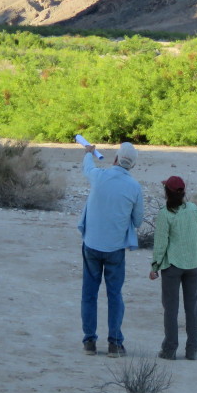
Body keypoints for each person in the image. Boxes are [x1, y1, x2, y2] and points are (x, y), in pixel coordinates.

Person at [78, 141, 144, 358]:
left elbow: (88, 168)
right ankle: (115, 343)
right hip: (115, 248)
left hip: (92, 244)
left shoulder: (99, 176)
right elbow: (137, 221)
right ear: (132, 165)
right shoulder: (135, 187)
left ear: (115, 158)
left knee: (89, 294)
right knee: (114, 295)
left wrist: (89, 153)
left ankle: (89, 342)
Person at [149, 175, 197, 360]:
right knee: (192, 310)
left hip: (173, 265)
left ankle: (169, 349)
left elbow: (160, 243)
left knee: (171, 309)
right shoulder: (193, 209)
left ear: (166, 192)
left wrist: (155, 266)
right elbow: (195, 232)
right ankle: (192, 350)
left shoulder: (164, 213)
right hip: (194, 263)